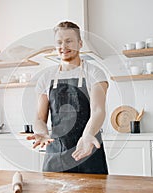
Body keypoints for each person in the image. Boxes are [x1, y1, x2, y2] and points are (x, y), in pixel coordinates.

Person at [27, 21, 108, 174]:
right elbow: (39, 117)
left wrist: (88, 135)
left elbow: (98, 110)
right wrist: (42, 132)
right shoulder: (46, 78)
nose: (63, 46)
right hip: (56, 154)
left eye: (69, 41)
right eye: (59, 42)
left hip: (88, 149)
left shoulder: (95, 73)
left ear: (80, 43)